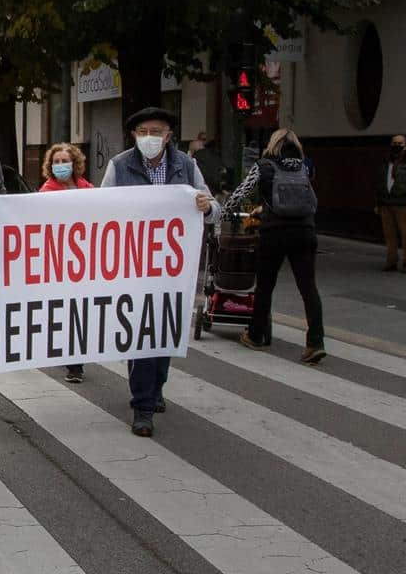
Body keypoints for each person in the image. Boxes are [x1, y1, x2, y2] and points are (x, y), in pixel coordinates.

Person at [100, 107, 219, 436]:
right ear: (134, 135)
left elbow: (214, 209)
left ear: (169, 136)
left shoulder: (186, 165)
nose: (150, 137)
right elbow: (99, 210)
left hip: (173, 267)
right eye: (143, 131)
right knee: (141, 335)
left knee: (164, 331)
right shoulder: (119, 166)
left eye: (157, 131)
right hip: (134, 265)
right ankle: (143, 406)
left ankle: (156, 387)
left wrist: (207, 207)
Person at [236, 129, 327, 366]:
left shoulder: (264, 166)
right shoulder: (305, 166)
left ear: (272, 144)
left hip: (274, 232)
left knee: (265, 286)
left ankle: (256, 335)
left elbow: (240, 194)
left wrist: (226, 214)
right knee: (308, 288)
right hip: (305, 232)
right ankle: (315, 342)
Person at [40, 142, 95, 384]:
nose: (61, 166)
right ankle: (74, 365)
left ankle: (77, 356)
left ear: (75, 163)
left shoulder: (88, 189)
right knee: (67, 311)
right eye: (57, 162)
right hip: (60, 261)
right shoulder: (47, 192)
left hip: (85, 259)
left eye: (65, 161)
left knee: (82, 311)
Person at [374, 134, 406, 273]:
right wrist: (378, 203)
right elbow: (380, 183)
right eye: (394, 142)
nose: (397, 145)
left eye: (400, 143)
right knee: (389, 235)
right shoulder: (385, 162)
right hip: (386, 203)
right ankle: (391, 261)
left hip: (404, 203)